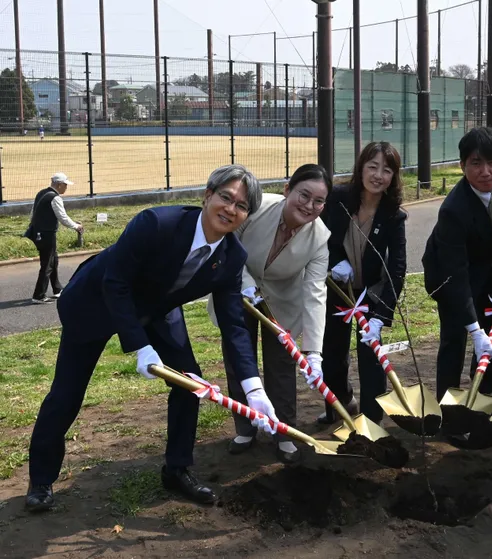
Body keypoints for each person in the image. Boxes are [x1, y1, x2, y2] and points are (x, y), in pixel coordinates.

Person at [25, 165, 273, 512]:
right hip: (98, 300)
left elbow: (234, 324)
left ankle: (177, 469)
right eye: (225, 197)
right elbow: (116, 282)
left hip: (158, 308)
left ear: (247, 215)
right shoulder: (157, 223)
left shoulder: (232, 257)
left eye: (242, 206)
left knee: (190, 384)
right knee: (66, 394)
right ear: (207, 195)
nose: (231, 209)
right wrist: (141, 346)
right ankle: (41, 481)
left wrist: (254, 388)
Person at [215, 164, 332, 464]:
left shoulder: (319, 237)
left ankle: (284, 432)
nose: (310, 206)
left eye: (319, 201)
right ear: (287, 189)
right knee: (239, 360)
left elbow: (316, 292)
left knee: (281, 367)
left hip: (283, 302)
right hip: (238, 290)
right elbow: (227, 244)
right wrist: (246, 284)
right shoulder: (256, 208)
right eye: (304, 195)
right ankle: (246, 426)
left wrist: (314, 352)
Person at [422, 126, 492, 405]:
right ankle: (450, 409)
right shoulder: (453, 210)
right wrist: (473, 328)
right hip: (451, 274)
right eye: (475, 163)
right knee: (455, 341)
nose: (485, 171)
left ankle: (482, 395)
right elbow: (456, 274)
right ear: (462, 166)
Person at [320, 142, 407, 425]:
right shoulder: (338, 199)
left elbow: (398, 265)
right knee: (332, 352)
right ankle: (340, 403)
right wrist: (335, 262)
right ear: (361, 168)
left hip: (371, 292)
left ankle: (371, 418)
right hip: (338, 287)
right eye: (372, 167)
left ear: (394, 176)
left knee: (371, 353)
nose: (378, 175)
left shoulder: (394, 214)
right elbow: (318, 236)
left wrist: (383, 315)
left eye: (386, 170)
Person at [27, 173, 84, 304]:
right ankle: (39, 295)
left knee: (53, 261)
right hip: (47, 234)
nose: (66, 188)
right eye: (65, 185)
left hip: (38, 233)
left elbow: (33, 212)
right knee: (47, 264)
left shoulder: (41, 193)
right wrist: (76, 226)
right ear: (59, 185)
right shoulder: (55, 198)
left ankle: (57, 289)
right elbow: (63, 218)